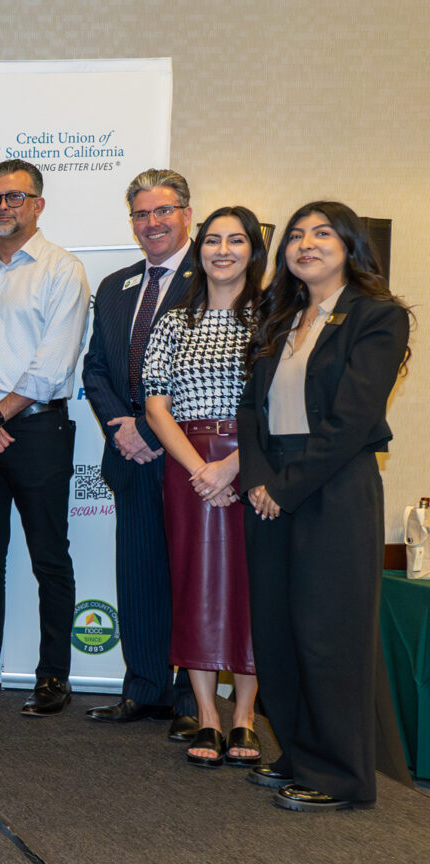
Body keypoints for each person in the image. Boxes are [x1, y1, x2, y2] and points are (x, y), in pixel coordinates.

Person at [238, 201, 410, 812]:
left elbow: (352, 420)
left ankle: (341, 775)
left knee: (327, 633)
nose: (305, 244)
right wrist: (258, 480)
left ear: (350, 246)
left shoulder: (378, 316)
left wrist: (284, 487)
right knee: (278, 630)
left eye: (322, 233)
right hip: (270, 487)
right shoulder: (279, 315)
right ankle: (299, 754)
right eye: (296, 235)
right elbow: (250, 409)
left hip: (334, 487)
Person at [0, 159, 89, 717]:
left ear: (38, 205)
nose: (1, 207)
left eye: (14, 197)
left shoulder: (61, 269)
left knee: (49, 556)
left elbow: (54, 362)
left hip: (36, 430)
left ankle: (53, 676)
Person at [141, 207, 265, 765]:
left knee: (250, 588)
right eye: (213, 240)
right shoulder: (174, 321)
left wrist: (233, 466)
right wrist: (202, 471)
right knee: (194, 585)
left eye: (235, 240)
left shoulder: (273, 319)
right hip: (187, 464)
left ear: (253, 251)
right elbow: (156, 406)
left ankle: (245, 718)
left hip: (252, 463)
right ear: (199, 249)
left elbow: (278, 406)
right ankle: (208, 717)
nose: (222, 250)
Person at [81, 169, 200, 739]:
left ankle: (192, 700)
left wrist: (152, 431)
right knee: (139, 575)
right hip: (127, 457)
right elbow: (95, 369)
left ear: (187, 214)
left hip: (190, 458)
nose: (152, 223)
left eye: (163, 211)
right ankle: (146, 688)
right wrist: (120, 428)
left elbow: (213, 376)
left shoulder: (214, 279)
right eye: (141, 214)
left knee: (192, 578)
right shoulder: (114, 286)